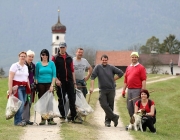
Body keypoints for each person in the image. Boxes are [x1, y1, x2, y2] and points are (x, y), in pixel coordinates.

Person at [89, 54, 124, 127]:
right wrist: (92, 87)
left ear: (107, 60)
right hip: (102, 90)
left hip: (111, 89)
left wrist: (113, 79)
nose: (104, 61)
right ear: (101, 60)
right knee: (103, 104)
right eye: (103, 60)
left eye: (106, 60)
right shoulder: (98, 67)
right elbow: (92, 77)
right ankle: (114, 117)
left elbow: (121, 73)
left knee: (110, 106)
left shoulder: (111, 67)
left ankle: (107, 122)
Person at [52, 42, 79, 123]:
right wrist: (56, 80)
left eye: (63, 47)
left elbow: (72, 70)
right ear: (59, 48)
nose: (62, 49)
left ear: (66, 47)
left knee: (72, 99)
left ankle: (73, 116)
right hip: (60, 81)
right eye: (61, 47)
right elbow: (53, 71)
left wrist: (74, 83)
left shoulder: (69, 57)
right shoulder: (55, 58)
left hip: (70, 81)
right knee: (61, 99)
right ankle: (63, 116)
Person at [8, 51, 31, 126]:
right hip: (17, 87)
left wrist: (29, 87)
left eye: (24, 56)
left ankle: (19, 120)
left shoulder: (26, 67)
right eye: (22, 56)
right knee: (20, 104)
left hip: (24, 87)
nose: (23, 58)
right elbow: (10, 77)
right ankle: (17, 121)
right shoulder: (14, 66)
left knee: (23, 103)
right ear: (19, 57)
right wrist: (10, 89)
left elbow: (26, 78)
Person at [35, 49, 57, 125]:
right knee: (42, 102)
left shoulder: (52, 64)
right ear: (41, 55)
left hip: (49, 84)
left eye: (46, 54)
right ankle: (43, 119)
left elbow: (54, 75)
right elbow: (36, 76)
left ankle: (50, 119)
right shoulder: (38, 64)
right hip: (40, 85)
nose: (44, 56)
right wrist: (36, 85)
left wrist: (52, 85)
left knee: (50, 102)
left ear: (48, 55)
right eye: (43, 55)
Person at [122, 52, 146, 118]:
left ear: (137, 58)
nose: (134, 58)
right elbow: (125, 80)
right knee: (129, 107)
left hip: (137, 90)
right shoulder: (128, 67)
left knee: (136, 106)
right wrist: (123, 90)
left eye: (135, 57)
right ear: (131, 58)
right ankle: (132, 121)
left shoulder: (141, 67)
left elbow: (143, 80)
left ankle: (138, 121)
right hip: (129, 90)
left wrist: (143, 92)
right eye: (133, 57)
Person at [22, 50, 35, 125]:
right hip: (25, 86)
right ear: (26, 57)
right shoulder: (23, 65)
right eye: (29, 56)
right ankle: (23, 119)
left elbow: (33, 75)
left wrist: (34, 83)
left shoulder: (33, 65)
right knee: (25, 102)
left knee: (29, 102)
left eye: (32, 57)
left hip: (32, 86)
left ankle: (27, 119)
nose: (31, 58)